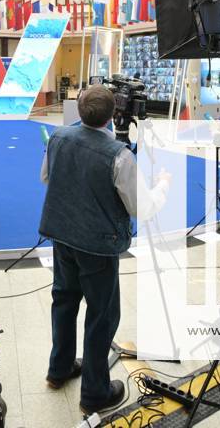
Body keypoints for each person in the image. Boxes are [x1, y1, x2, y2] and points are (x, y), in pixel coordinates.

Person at [38, 86, 138, 416]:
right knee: (102, 315)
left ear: (78, 109)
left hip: (62, 236)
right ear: (113, 114)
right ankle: (95, 393)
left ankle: (59, 369)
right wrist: (163, 185)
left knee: (64, 301)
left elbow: (46, 178)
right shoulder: (120, 154)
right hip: (98, 245)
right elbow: (136, 206)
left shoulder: (58, 137)